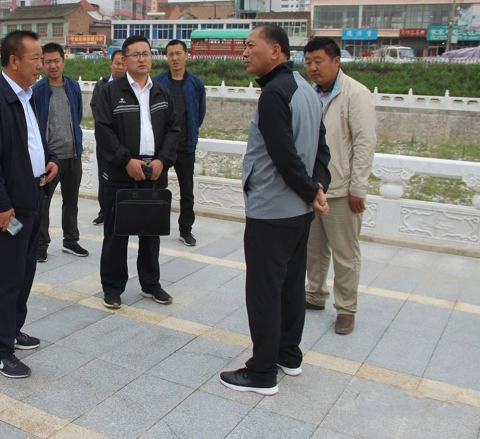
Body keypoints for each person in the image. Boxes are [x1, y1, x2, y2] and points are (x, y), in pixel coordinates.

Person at [220, 24, 331, 396]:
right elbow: (321, 150)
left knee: (264, 291)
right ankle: (289, 355)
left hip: (271, 211)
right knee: (290, 286)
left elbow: (284, 155)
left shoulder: (273, 94)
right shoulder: (305, 89)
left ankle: (263, 372)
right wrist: (317, 187)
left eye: (251, 45)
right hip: (298, 212)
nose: (244, 52)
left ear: (275, 51)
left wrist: (310, 189)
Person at [0, 30, 59, 379]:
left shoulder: (28, 96)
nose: (41, 65)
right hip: (8, 207)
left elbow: (33, 140)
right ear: (13, 61)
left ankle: (13, 329)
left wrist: (50, 160)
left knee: (25, 270)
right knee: (8, 276)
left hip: (33, 196)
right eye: (35, 59)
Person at [94, 35, 180, 310]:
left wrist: (162, 161)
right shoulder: (110, 92)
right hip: (121, 175)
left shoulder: (162, 92)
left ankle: (151, 283)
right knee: (116, 235)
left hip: (154, 173)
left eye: (146, 53)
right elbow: (103, 131)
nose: (142, 59)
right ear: (124, 59)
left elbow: (174, 130)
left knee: (151, 232)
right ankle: (112, 287)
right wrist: (126, 160)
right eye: (136, 54)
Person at [303, 37, 377, 335]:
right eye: (308, 62)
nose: (312, 68)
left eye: (318, 61)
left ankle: (346, 309)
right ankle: (315, 294)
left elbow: (364, 144)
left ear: (336, 61)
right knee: (313, 249)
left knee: (345, 254)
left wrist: (358, 188)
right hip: (312, 188)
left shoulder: (355, 94)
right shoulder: (309, 93)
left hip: (341, 190)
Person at [32, 42, 88, 263]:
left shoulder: (73, 86)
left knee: (71, 201)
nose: (53, 66)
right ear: (42, 63)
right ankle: (40, 245)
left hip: (73, 154)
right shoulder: (38, 90)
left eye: (56, 61)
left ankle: (71, 240)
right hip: (50, 159)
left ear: (64, 60)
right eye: (48, 62)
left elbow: (78, 115)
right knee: (43, 203)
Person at [154, 39, 206, 246]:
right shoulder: (157, 83)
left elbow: (199, 114)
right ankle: (156, 225)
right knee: (158, 188)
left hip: (185, 146)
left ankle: (186, 229)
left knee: (187, 191)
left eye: (178, 53)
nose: (175, 58)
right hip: (162, 148)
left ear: (186, 55)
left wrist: (190, 133)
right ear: (166, 57)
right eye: (171, 54)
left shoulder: (196, 84)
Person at [90, 50, 126, 226]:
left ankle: (123, 210)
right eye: (117, 63)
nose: (120, 67)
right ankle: (104, 211)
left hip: (125, 142)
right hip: (105, 141)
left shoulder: (130, 87)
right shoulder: (101, 86)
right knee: (104, 176)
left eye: (123, 64)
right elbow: (96, 110)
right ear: (111, 64)